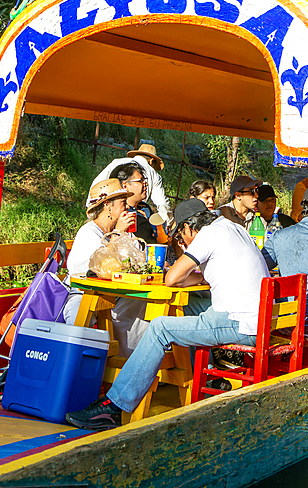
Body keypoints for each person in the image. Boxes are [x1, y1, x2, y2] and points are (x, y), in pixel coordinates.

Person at [65, 202, 270, 430]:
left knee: (160, 327)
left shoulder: (208, 236)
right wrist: (193, 275)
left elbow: (172, 278)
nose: (183, 243)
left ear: (189, 228)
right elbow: (201, 277)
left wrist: (177, 271)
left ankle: (116, 406)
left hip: (239, 324)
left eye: (182, 237)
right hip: (258, 318)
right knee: (187, 307)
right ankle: (205, 379)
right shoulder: (233, 227)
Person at [64, 178, 150, 354]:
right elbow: (101, 266)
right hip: (84, 294)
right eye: (123, 203)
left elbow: (136, 260)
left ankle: (130, 361)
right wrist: (118, 233)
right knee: (82, 315)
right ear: (108, 206)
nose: (127, 207)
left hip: (116, 294)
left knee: (139, 302)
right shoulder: (88, 232)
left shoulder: (122, 232)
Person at [93, 143, 172, 225]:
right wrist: (169, 223)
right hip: (134, 217)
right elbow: (162, 203)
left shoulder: (116, 162)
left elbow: (96, 186)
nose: (145, 184)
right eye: (141, 181)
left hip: (109, 212)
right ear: (151, 161)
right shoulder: (153, 173)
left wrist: (94, 209)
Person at [109, 162, 166, 245]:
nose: (145, 184)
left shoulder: (145, 208)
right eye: (140, 181)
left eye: (145, 180)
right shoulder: (121, 213)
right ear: (125, 186)